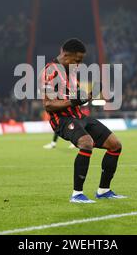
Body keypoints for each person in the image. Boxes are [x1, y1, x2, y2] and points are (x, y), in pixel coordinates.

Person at [40, 38, 126, 203]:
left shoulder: (71, 71)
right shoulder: (50, 71)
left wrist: (90, 94)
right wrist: (74, 101)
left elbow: (77, 97)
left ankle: (103, 190)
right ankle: (77, 194)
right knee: (86, 143)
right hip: (62, 119)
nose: (79, 64)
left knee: (115, 145)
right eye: (77, 60)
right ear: (65, 55)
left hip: (79, 116)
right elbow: (48, 104)